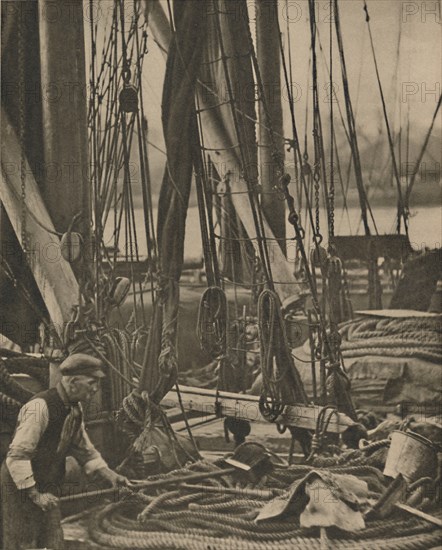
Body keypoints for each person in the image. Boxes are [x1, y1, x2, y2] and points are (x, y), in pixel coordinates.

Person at [1, 353, 128, 550]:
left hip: (46, 484)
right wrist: (35, 495)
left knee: (53, 540)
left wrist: (110, 475)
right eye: (92, 382)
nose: (95, 389)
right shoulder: (39, 407)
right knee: (23, 542)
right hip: (19, 486)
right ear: (73, 382)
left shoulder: (75, 410)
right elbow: (17, 457)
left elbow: (85, 449)